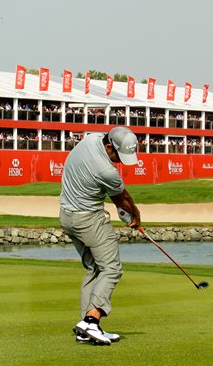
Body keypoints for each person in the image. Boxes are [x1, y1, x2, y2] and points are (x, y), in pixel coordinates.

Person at [59, 127, 141, 346]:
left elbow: (117, 200)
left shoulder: (91, 138)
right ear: (108, 147)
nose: (121, 162)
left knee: (94, 269)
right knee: (112, 269)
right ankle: (91, 321)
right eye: (119, 156)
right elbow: (121, 199)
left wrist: (127, 213)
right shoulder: (107, 171)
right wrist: (136, 215)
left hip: (66, 216)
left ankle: (84, 329)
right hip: (89, 220)